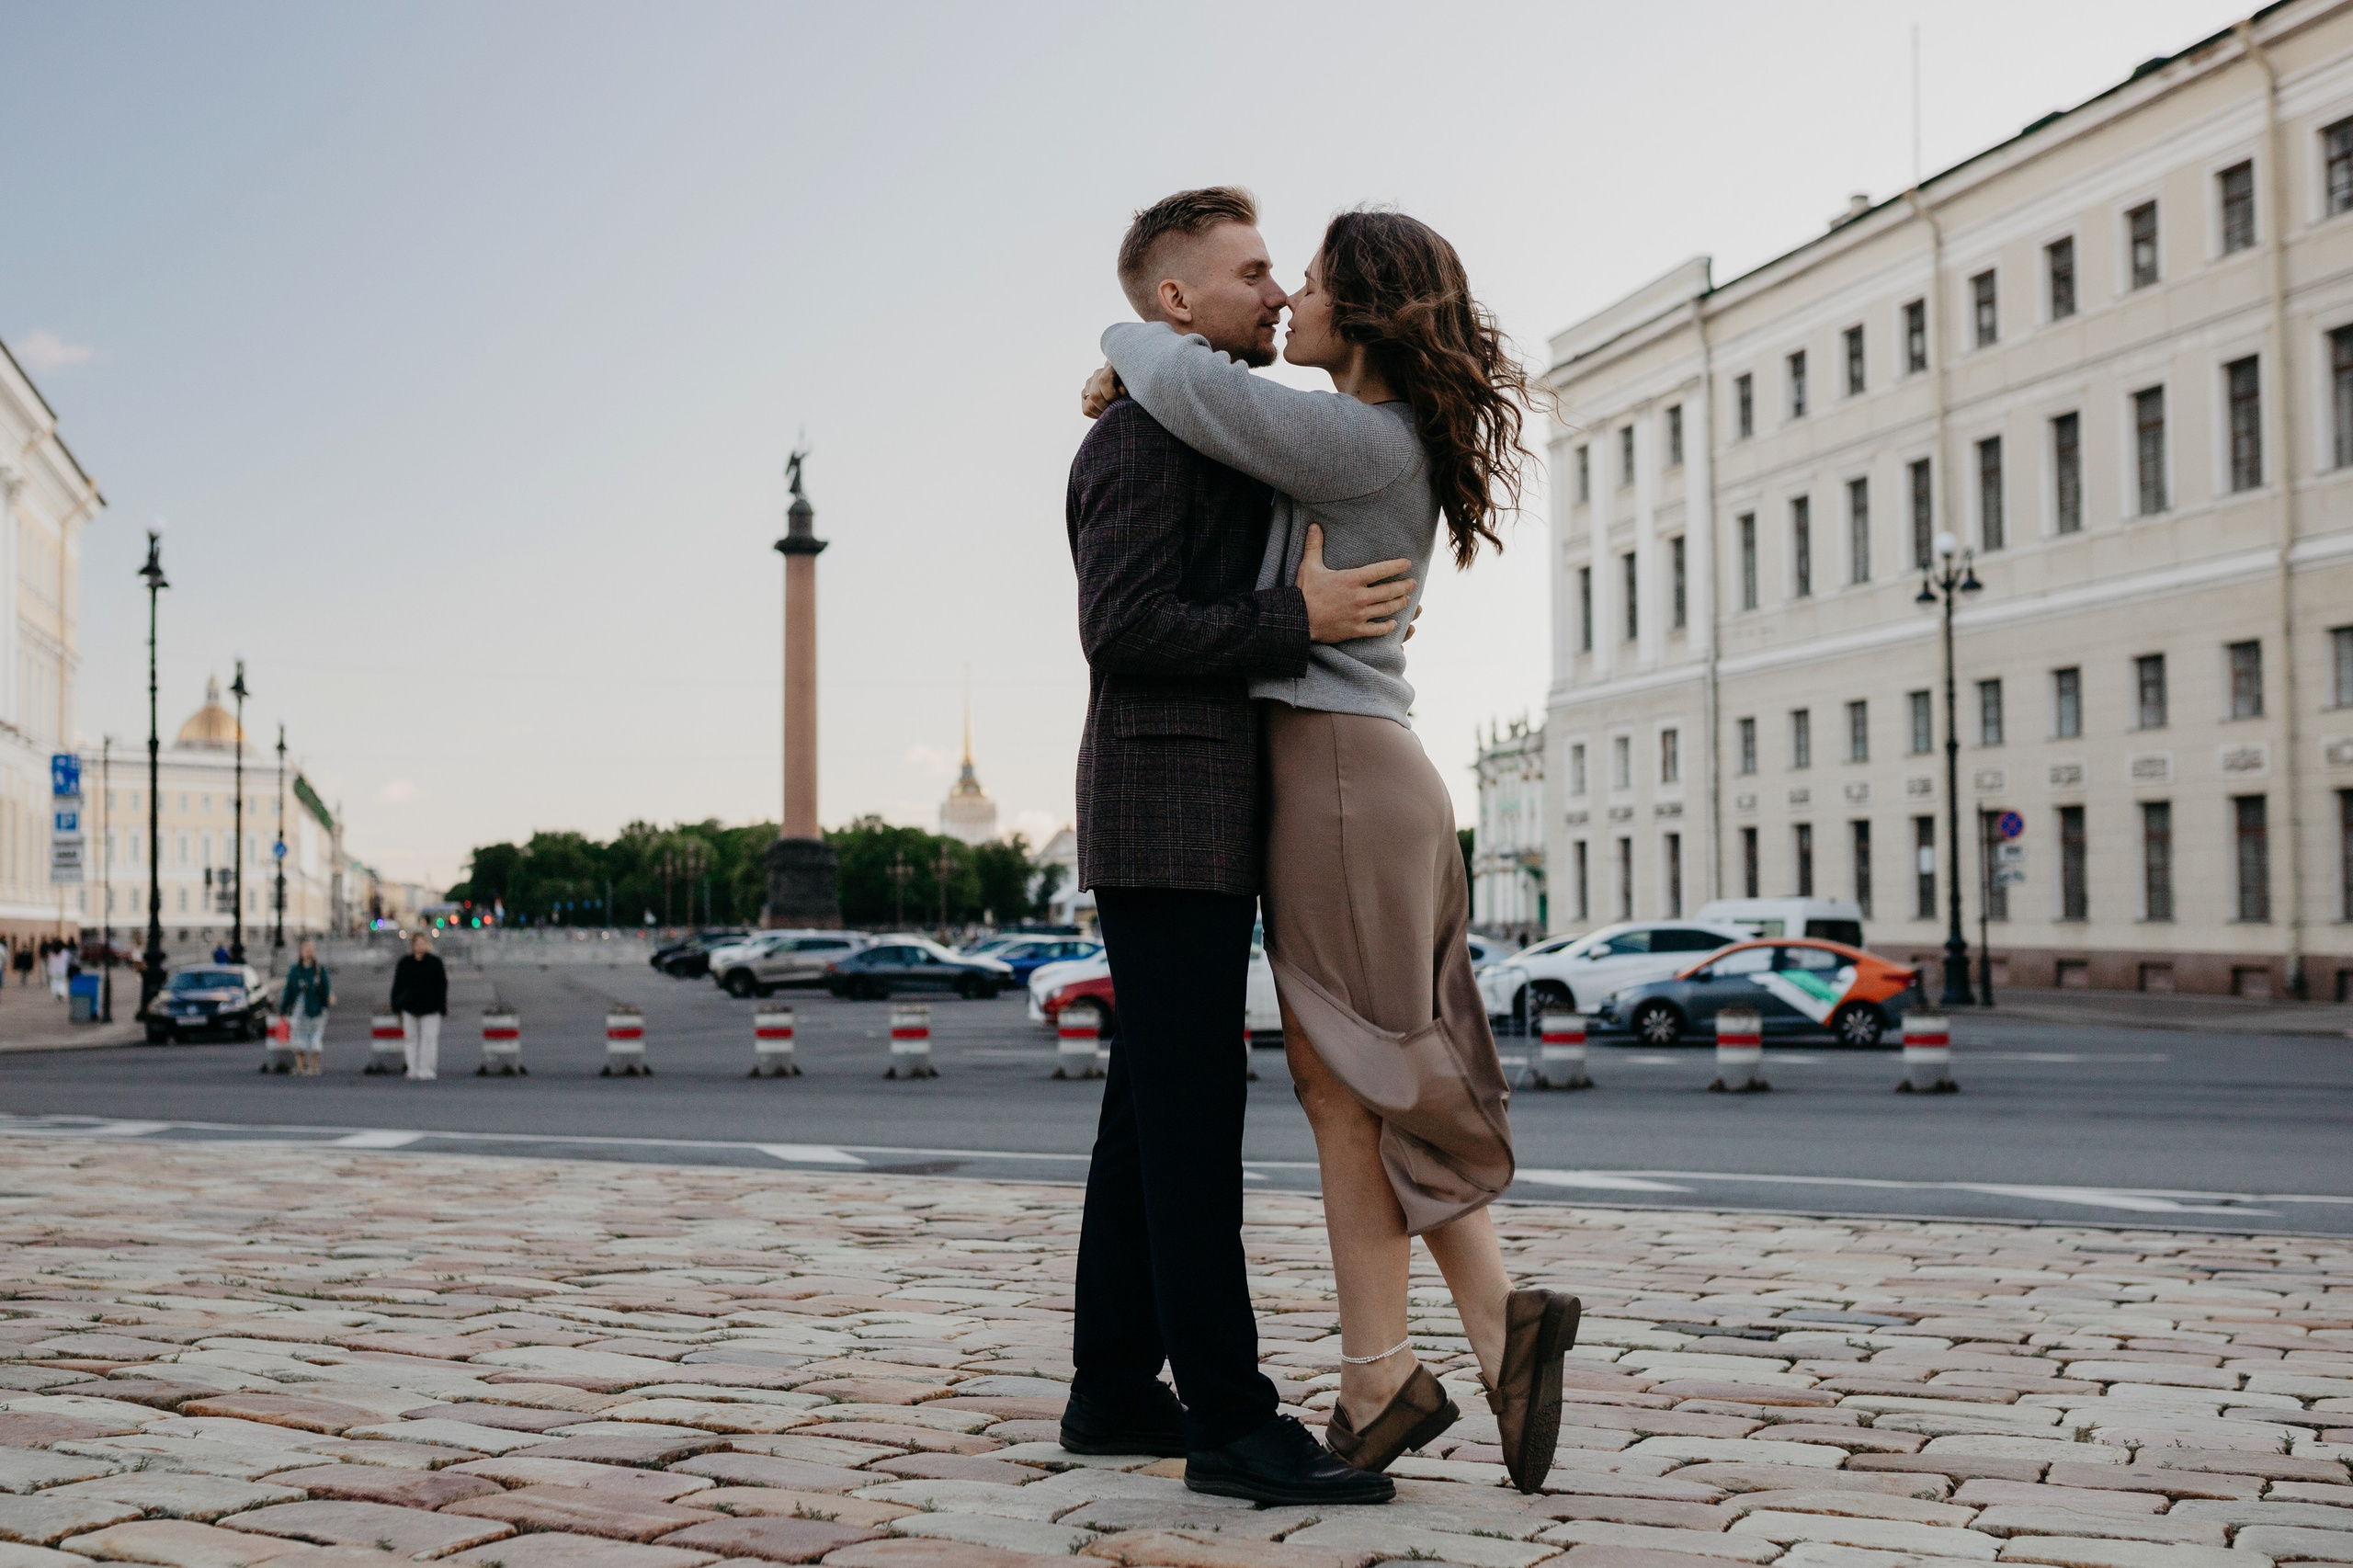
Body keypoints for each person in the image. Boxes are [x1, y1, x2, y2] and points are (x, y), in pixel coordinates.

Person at [1083, 208, 1580, 1493]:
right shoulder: (1335, 436)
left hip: (1343, 774)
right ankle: (1462, 1337)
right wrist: (1137, 362)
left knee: (1352, 1080)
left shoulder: (1349, 434)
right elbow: (1183, 421)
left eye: (1297, 279)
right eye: (1263, 273)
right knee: (1347, 1077)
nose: (1284, 295)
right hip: (1346, 774)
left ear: (1355, 315)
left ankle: (1407, 1362)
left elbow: (1187, 376)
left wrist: (1123, 343)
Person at [1061, 187, 1415, 1508]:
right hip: (1167, 818)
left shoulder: (1188, 422)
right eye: (1253, 271)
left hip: (1192, 815)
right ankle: (1231, 1417)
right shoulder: (1145, 442)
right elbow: (1127, 628)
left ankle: (1111, 1388)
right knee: (1195, 1117)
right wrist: (1298, 616)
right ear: (1175, 300)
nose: (1277, 291)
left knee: (1147, 1115)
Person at [389, 932, 446, 1080]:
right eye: (417, 943)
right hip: (409, 1006)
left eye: (423, 943)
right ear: (412, 945)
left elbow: (442, 986)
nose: (420, 946)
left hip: (431, 1007)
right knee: (410, 1039)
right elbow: (397, 985)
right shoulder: (405, 963)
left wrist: (441, 1006)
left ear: (427, 945)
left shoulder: (435, 963)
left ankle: (427, 1068)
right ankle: (412, 1068)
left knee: (429, 1039)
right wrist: (396, 1005)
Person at [280, 938, 334, 1077]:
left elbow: (325, 989)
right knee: (298, 1036)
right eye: (306, 949)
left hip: (315, 1009)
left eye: (311, 949)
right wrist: (283, 1009)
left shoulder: (318, 970)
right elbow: (289, 991)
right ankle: (300, 1066)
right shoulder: (295, 970)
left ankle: (315, 1066)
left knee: (315, 1036)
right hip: (299, 1009)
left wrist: (324, 1005)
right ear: (301, 952)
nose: (309, 952)